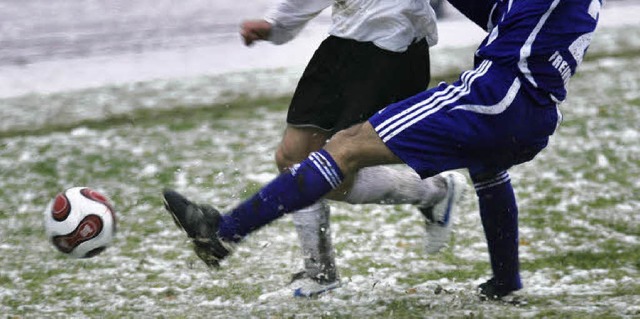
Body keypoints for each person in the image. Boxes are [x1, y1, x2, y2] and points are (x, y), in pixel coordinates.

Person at [163, 0, 602, 300]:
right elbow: (497, 13)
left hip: (494, 94)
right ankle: (506, 283)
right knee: (488, 167)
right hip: (535, 111)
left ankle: (223, 233)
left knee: (347, 148)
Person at [235, 0, 467, 297]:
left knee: (334, 174)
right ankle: (320, 274)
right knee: (292, 158)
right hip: (344, 40)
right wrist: (277, 23)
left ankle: (436, 191)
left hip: (391, 46)